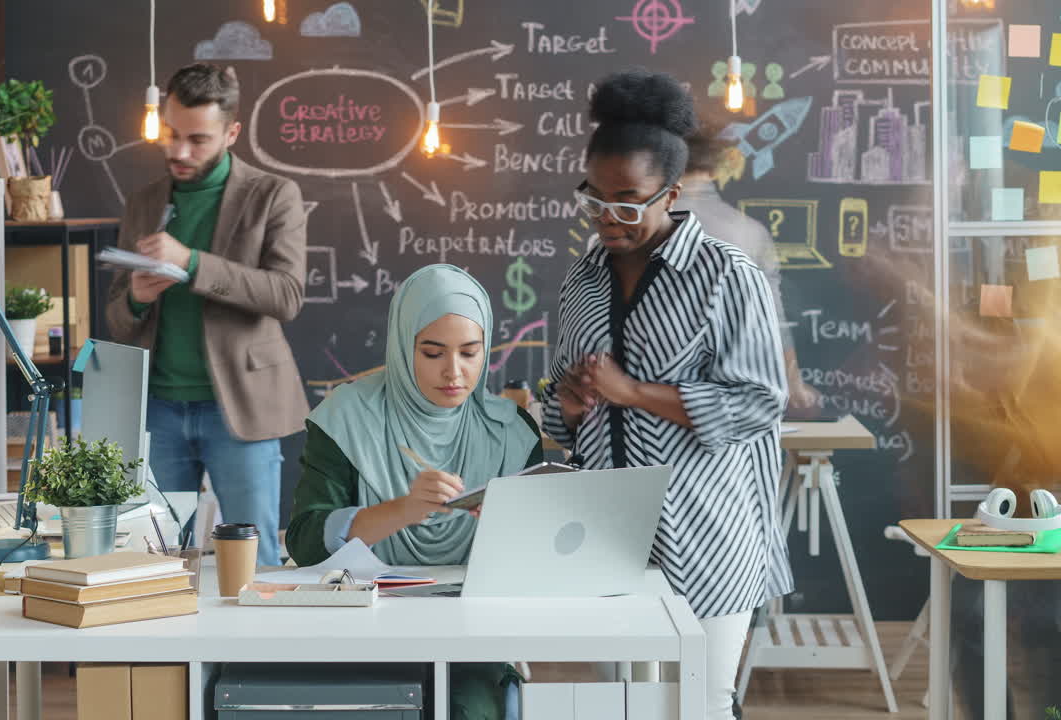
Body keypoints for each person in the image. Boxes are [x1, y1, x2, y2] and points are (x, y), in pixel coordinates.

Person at [542, 68, 791, 720]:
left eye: (627, 200)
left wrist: (634, 392)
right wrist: (566, 404)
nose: (607, 217)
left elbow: (760, 401)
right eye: (594, 198)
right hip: (607, 536)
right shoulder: (582, 280)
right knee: (630, 707)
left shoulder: (725, 276)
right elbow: (561, 411)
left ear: (671, 194)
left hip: (706, 533)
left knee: (701, 704)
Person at [287, 264, 542, 720]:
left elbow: (535, 563)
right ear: (403, 347)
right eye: (432, 352)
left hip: (473, 633)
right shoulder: (347, 418)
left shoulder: (512, 431)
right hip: (359, 627)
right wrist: (403, 509)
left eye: (470, 352)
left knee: (471, 708)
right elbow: (305, 542)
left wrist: (509, 532)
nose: (454, 372)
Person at [105, 63, 308, 567]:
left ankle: (247, 650)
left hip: (239, 409)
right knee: (154, 563)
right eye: (171, 134)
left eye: (197, 139)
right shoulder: (143, 201)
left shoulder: (273, 194)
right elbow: (116, 318)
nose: (178, 151)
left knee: (254, 563)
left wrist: (190, 263)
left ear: (231, 132)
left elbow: (286, 295)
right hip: (157, 411)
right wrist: (136, 297)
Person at [681, 119, 820, 411]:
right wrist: (794, 384)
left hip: (648, 396)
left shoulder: (637, 227)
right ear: (716, 169)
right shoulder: (749, 232)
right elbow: (773, 317)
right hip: (733, 397)